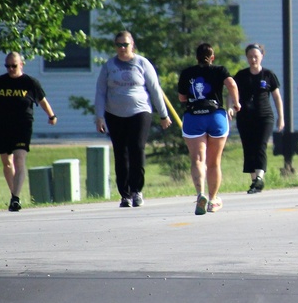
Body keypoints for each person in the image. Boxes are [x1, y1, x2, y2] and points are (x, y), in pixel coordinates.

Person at [95, 31, 172, 208]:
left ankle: (137, 190)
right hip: (114, 114)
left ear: (132, 45)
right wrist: (99, 117)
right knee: (120, 153)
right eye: (119, 45)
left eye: (125, 44)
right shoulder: (108, 66)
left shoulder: (142, 63)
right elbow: (100, 92)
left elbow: (154, 89)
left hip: (140, 111)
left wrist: (163, 114)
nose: (122, 48)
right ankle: (125, 194)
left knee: (137, 148)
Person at [0, 52, 57, 212]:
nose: (11, 69)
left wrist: (51, 116)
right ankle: (14, 194)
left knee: (19, 159)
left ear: (21, 64)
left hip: (23, 125)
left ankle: (15, 198)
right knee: (7, 162)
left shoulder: (30, 83)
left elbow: (42, 101)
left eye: (14, 65)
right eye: (8, 66)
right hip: (2, 125)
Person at [179, 43, 241, 214]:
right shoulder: (219, 70)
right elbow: (232, 85)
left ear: (196, 57)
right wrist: (236, 104)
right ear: (212, 57)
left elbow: (182, 97)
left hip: (193, 117)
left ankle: (200, 194)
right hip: (215, 116)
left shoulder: (187, 73)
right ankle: (213, 200)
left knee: (198, 160)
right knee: (214, 162)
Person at [234, 43, 284, 194]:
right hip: (244, 117)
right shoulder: (241, 75)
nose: (253, 59)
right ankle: (254, 181)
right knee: (248, 147)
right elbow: (232, 93)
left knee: (260, 146)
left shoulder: (268, 75)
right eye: (250, 57)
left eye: (256, 56)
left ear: (262, 56)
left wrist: (281, 117)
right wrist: (232, 107)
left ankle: (260, 177)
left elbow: (276, 97)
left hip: (264, 117)